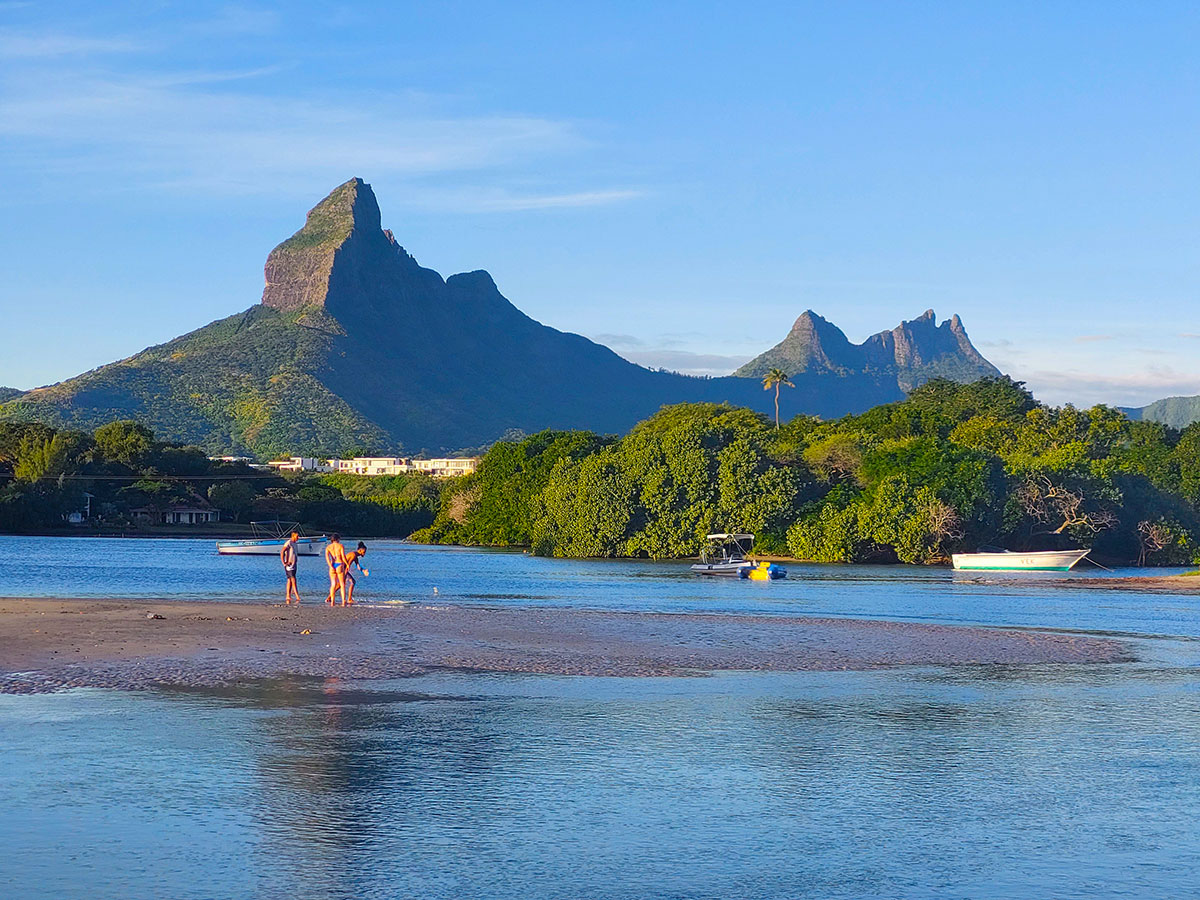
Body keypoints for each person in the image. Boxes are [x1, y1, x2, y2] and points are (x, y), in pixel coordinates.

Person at [324, 533, 348, 605]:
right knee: (342, 584)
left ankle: (332, 601)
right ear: (338, 539)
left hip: (332, 564)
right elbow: (343, 557)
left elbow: (327, 558)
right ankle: (343, 600)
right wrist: (347, 564)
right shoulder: (340, 546)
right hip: (339, 563)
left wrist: (330, 565)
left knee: (333, 584)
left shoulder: (328, 547)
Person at [280, 531, 301, 605]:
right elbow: (282, 551)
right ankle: (297, 596)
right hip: (289, 565)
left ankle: (288, 595)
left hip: (294, 564)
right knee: (293, 580)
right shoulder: (288, 543)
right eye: (297, 536)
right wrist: (284, 562)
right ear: (293, 536)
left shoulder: (295, 543)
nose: (298, 538)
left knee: (289, 580)